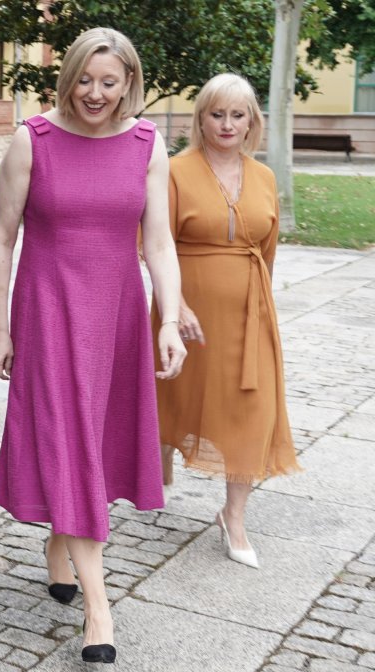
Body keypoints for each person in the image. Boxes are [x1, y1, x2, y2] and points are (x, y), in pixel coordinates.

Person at [0, 27, 186, 664]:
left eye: (110, 81)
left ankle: (58, 546)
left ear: (129, 82)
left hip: (118, 314)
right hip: (47, 314)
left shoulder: (148, 145)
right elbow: (1, 239)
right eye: (84, 79)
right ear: (67, 76)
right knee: (69, 435)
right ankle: (99, 611)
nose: (95, 93)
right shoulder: (32, 140)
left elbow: (159, 243)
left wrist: (168, 320)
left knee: (91, 440)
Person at [157, 73, 298, 568]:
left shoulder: (264, 178)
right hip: (184, 309)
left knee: (249, 412)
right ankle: (161, 461)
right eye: (217, 113)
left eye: (238, 115)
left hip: (248, 313)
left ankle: (233, 515)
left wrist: (259, 310)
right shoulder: (175, 170)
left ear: (252, 121)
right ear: (201, 118)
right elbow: (155, 245)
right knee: (173, 398)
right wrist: (177, 308)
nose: (227, 124)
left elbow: (268, 249)